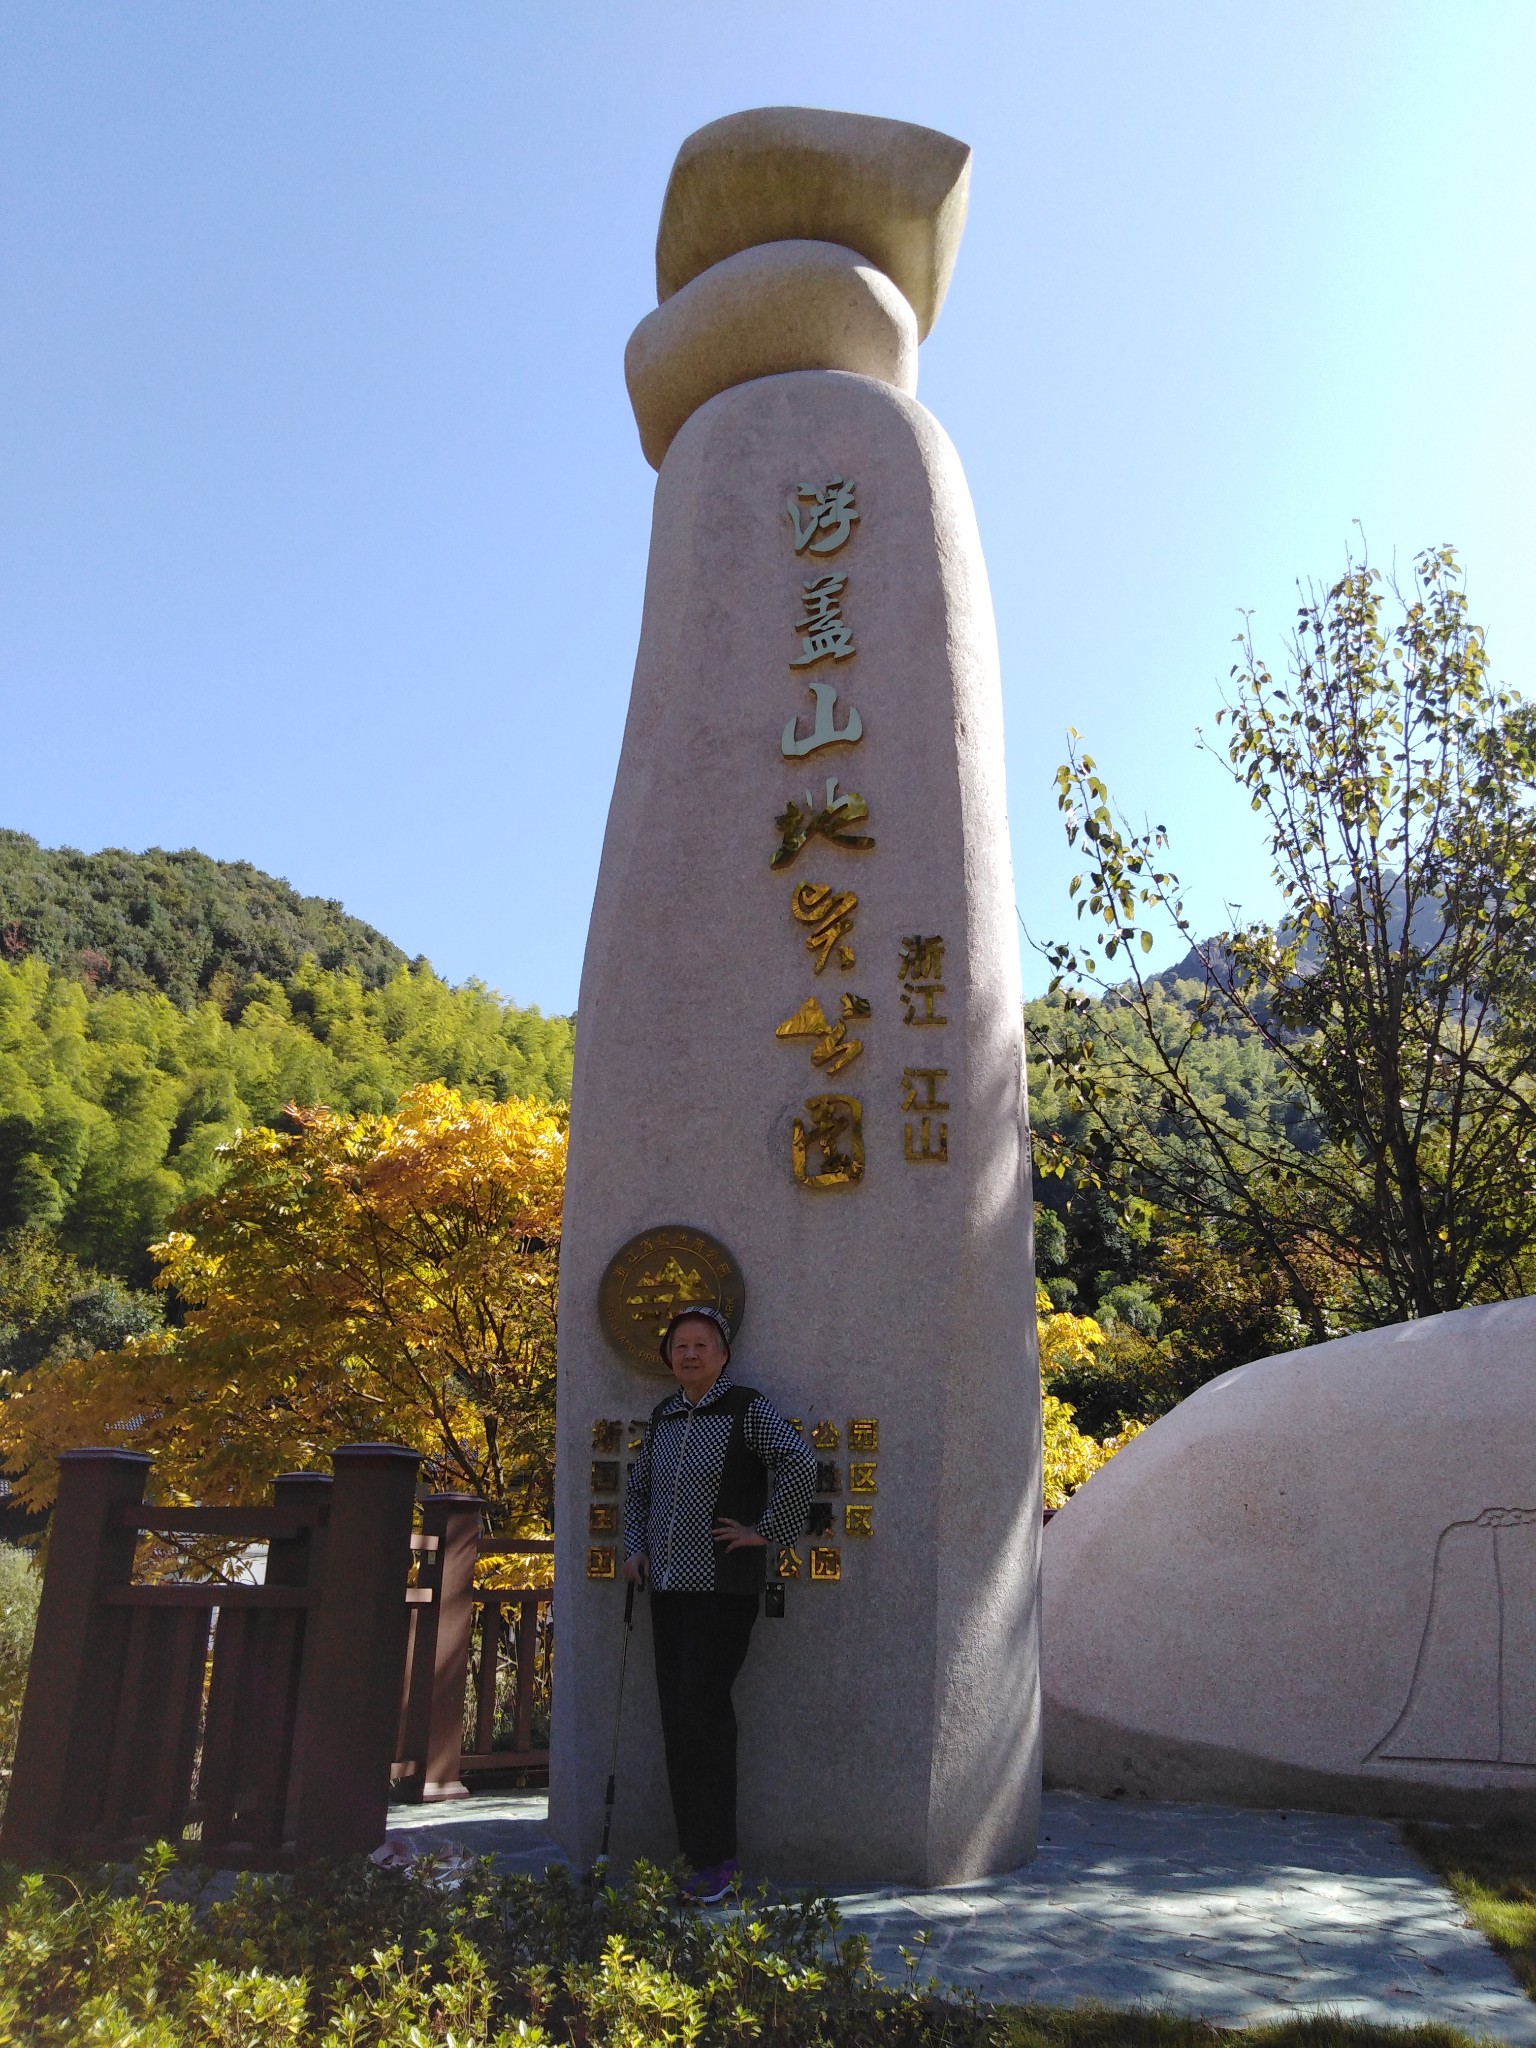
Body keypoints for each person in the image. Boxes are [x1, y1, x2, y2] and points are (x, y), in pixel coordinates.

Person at [622, 1303, 816, 1902]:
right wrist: (634, 1547)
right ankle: (693, 1853)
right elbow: (638, 1488)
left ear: (723, 1354)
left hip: (722, 1591)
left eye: (701, 1344)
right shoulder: (664, 1416)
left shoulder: (746, 1409)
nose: (689, 1354)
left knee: (703, 1713)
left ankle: (718, 1860)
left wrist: (768, 1530)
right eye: (679, 1346)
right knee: (677, 1719)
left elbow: (798, 1461)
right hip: (667, 1591)